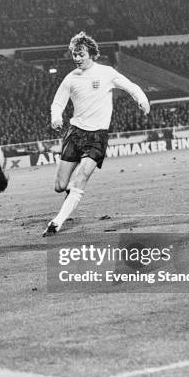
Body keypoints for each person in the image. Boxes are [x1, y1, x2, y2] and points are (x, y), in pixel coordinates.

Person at [43, 31, 150, 236]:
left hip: (97, 137)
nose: (77, 58)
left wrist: (142, 100)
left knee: (81, 177)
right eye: (74, 54)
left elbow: (130, 86)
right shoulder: (70, 78)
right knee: (60, 186)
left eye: (81, 54)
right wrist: (56, 117)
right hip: (74, 134)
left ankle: (56, 222)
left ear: (91, 53)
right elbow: (58, 103)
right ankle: (69, 193)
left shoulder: (106, 73)